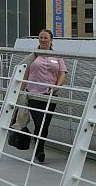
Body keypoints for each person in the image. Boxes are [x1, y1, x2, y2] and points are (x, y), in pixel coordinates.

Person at [23, 29, 67, 163]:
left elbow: (62, 73)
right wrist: (20, 92)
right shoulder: (33, 55)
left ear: (51, 40)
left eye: (45, 38)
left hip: (50, 95)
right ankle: (40, 150)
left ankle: (38, 148)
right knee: (39, 122)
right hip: (33, 94)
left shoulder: (57, 56)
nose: (42, 40)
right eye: (40, 37)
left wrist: (57, 87)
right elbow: (25, 73)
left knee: (45, 125)